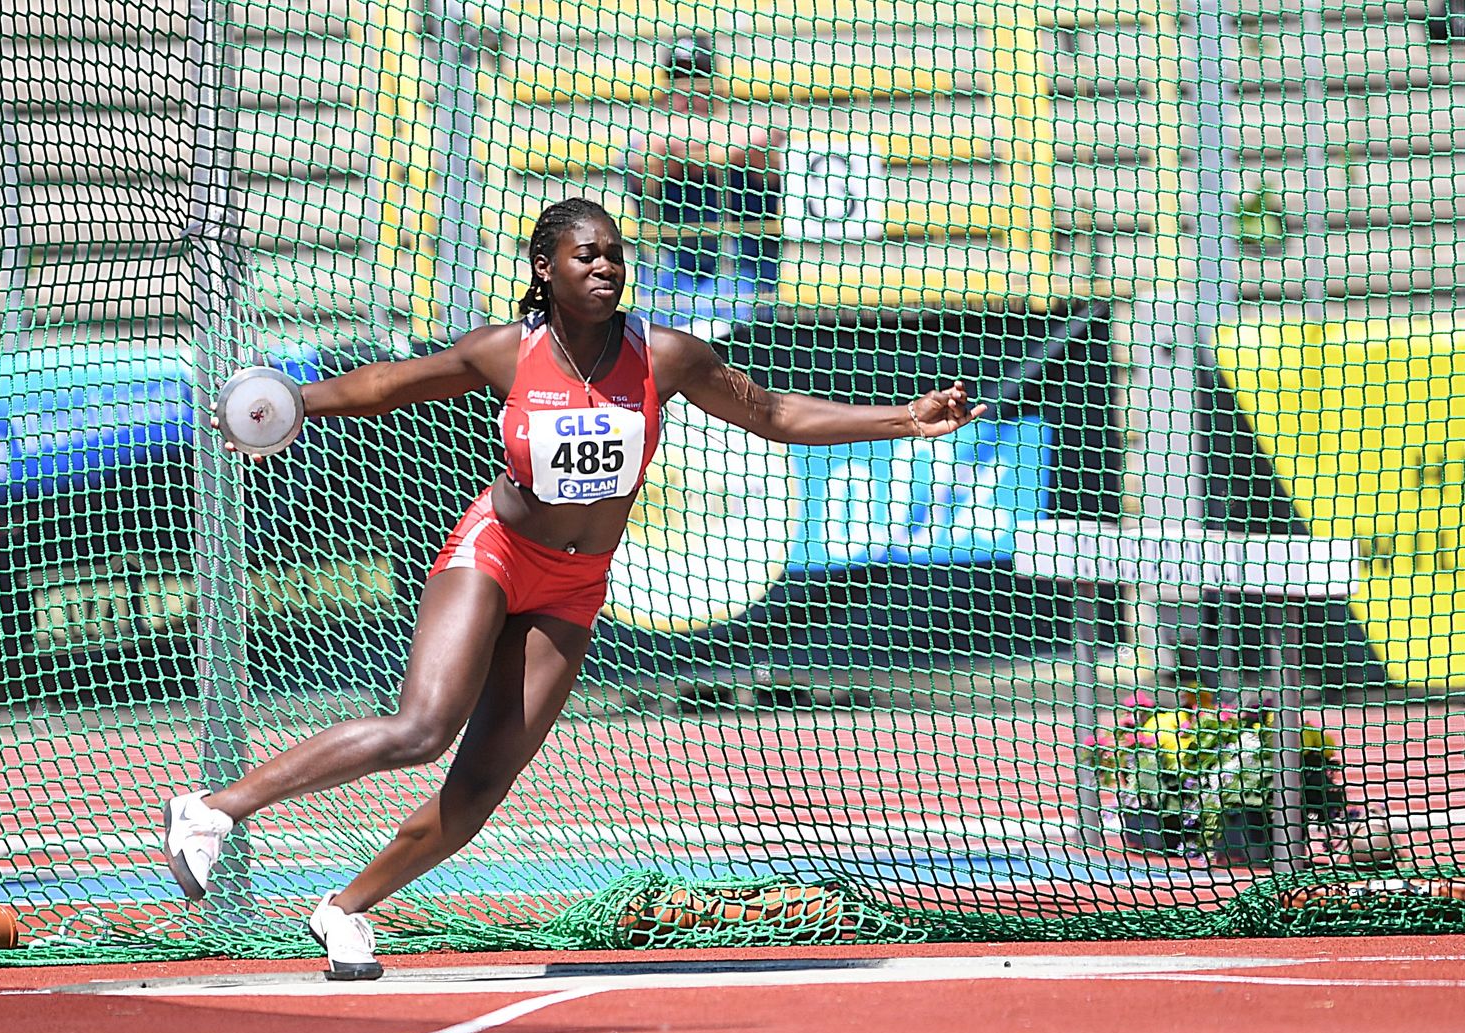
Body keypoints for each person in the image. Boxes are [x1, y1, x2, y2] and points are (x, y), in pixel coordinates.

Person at [165, 196, 982, 980]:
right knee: (422, 728)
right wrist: (290, 404)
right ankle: (216, 808)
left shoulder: (663, 355)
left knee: (479, 787)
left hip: (575, 583)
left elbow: (773, 414)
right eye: (586, 255)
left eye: (615, 256)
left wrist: (906, 418)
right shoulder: (505, 351)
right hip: (497, 551)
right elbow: (388, 384)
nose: (605, 268)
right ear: (544, 267)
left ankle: (344, 908)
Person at [623, 33, 787, 284]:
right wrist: (721, 149)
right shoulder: (647, 143)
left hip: (744, 284)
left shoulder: (749, 137)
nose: (689, 89)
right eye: (679, 78)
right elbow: (655, 148)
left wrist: (703, 149)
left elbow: (764, 141)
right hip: (672, 285)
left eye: (698, 77)